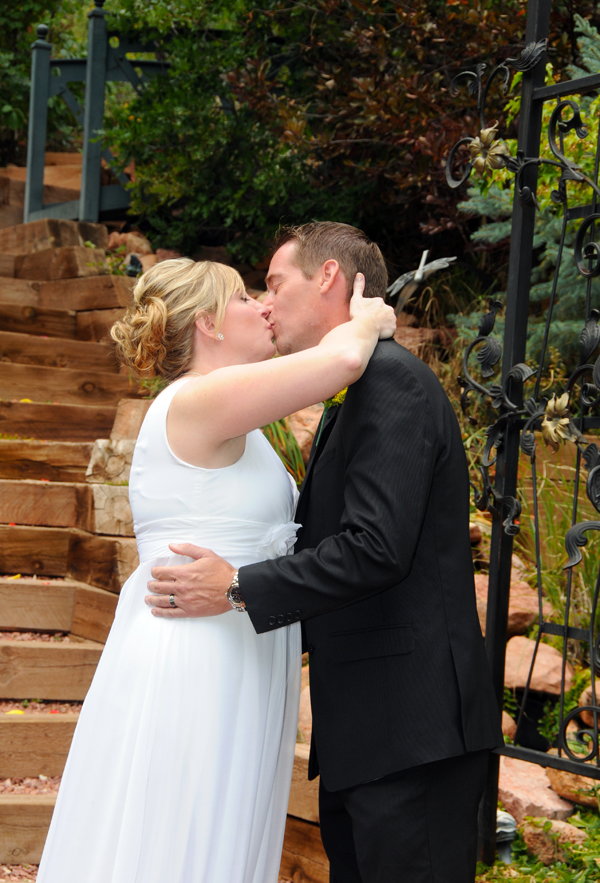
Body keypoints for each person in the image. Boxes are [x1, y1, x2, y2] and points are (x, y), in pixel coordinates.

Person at [146, 223, 504, 883]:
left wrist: (238, 586)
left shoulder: (391, 382)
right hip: (372, 741)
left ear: (331, 278)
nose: (267, 303)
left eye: (276, 283)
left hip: (410, 736)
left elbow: (375, 548)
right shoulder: (354, 392)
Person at [36, 256, 396, 883]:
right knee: (181, 833)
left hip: (237, 646)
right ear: (208, 322)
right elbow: (342, 362)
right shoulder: (198, 399)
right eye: (243, 296)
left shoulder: (235, 417)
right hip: (196, 656)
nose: (263, 305)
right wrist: (369, 316)